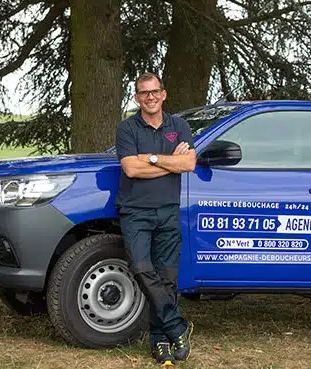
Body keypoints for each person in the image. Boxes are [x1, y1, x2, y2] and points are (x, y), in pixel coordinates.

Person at [115, 71, 196, 366]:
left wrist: (150, 158)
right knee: (141, 268)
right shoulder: (127, 128)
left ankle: (160, 341)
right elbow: (131, 170)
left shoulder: (180, 126)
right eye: (143, 93)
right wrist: (169, 162)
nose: (149, 97)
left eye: (154, 92)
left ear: (163, 94)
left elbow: (188, 162)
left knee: (167, 278)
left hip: (168, 211)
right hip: (135, 212)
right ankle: (177, 327)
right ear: (137, 98)